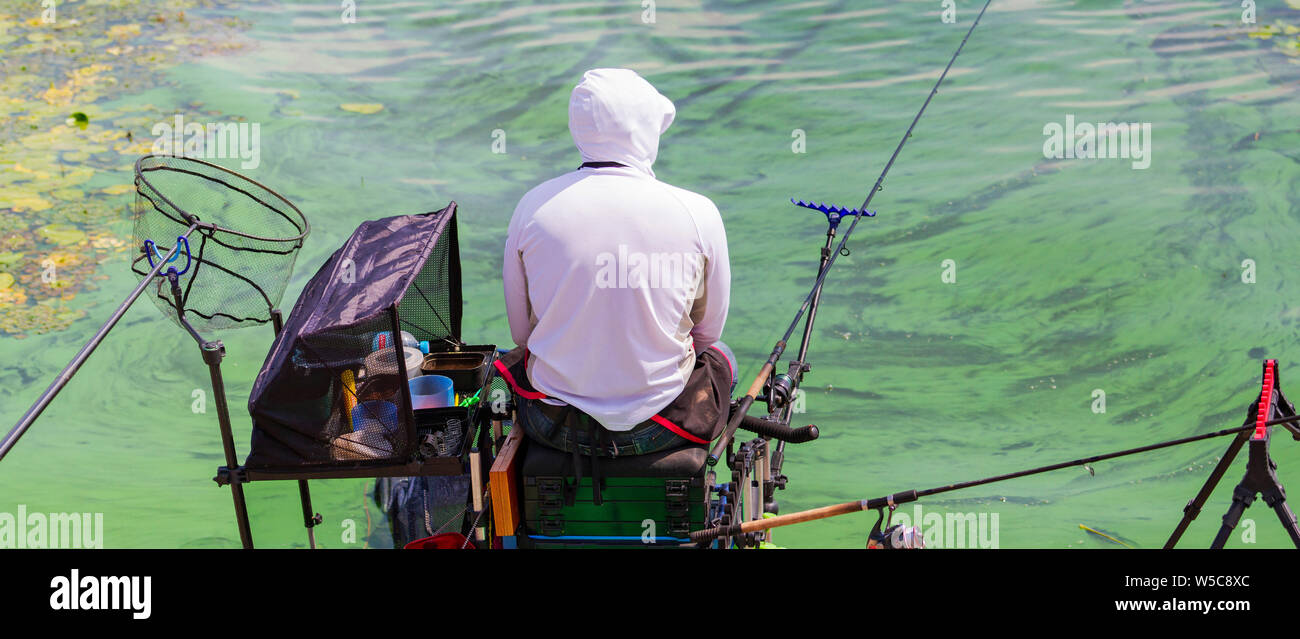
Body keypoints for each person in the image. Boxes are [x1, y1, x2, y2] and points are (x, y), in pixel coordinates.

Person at [499, 68, 735, 459]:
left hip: (554, 425)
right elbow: (707, 336)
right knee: (725, 356)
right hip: (660, 428)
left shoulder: (532, 209)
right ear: (643, 131)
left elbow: (522, 335)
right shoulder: (698, 212)